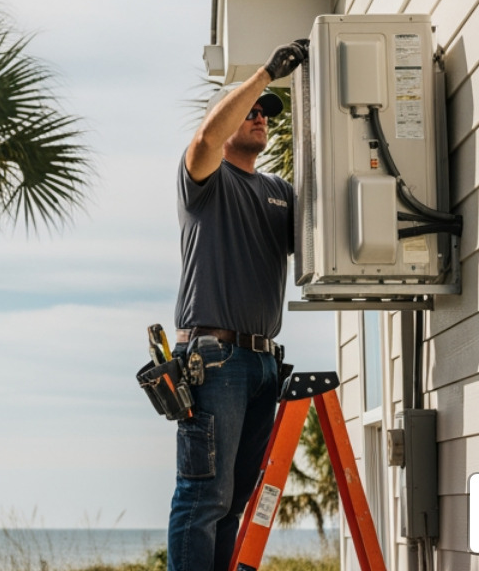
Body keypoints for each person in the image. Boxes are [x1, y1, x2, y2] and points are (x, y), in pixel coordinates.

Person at [167, 38, 310, 571]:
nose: (260, 117)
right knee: (203, 499)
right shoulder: (203, 181)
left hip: (264, 364)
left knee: (233, 508)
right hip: (215, 361)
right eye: (248, 111)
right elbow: (206, 137)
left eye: (264, 113)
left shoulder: (279, 191)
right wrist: (265, 75)